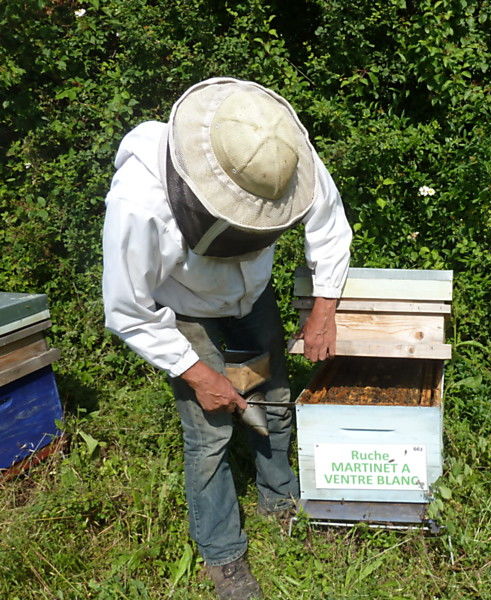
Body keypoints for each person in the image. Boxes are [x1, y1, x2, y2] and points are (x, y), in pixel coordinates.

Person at [101, 77, 352, 600]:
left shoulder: (277, 148)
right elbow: (128, 308)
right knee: (211, 430)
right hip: (186, 308)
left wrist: (324, 308)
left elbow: (327, 223)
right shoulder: (139, 199)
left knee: (272, 397)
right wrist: (196, 372)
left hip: (253, 293)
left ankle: (279, 500)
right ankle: (223, 556)